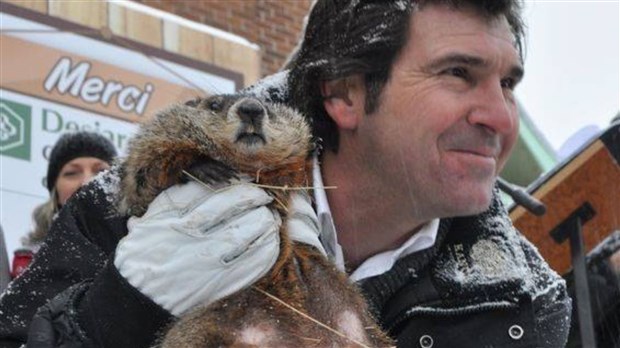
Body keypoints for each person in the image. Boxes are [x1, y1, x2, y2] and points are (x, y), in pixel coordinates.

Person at [0, 1, 572, 347]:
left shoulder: (524, 306)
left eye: (508, 84)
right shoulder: (140, 202)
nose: (499, 116)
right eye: (457, 73)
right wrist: (118, 313)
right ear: (344, 94)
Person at [8, 131, 117, 279]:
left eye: (102, 171)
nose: (87, 182)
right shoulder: (26, 264)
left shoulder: (144, 251)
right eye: (72, 173)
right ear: (55, 192)